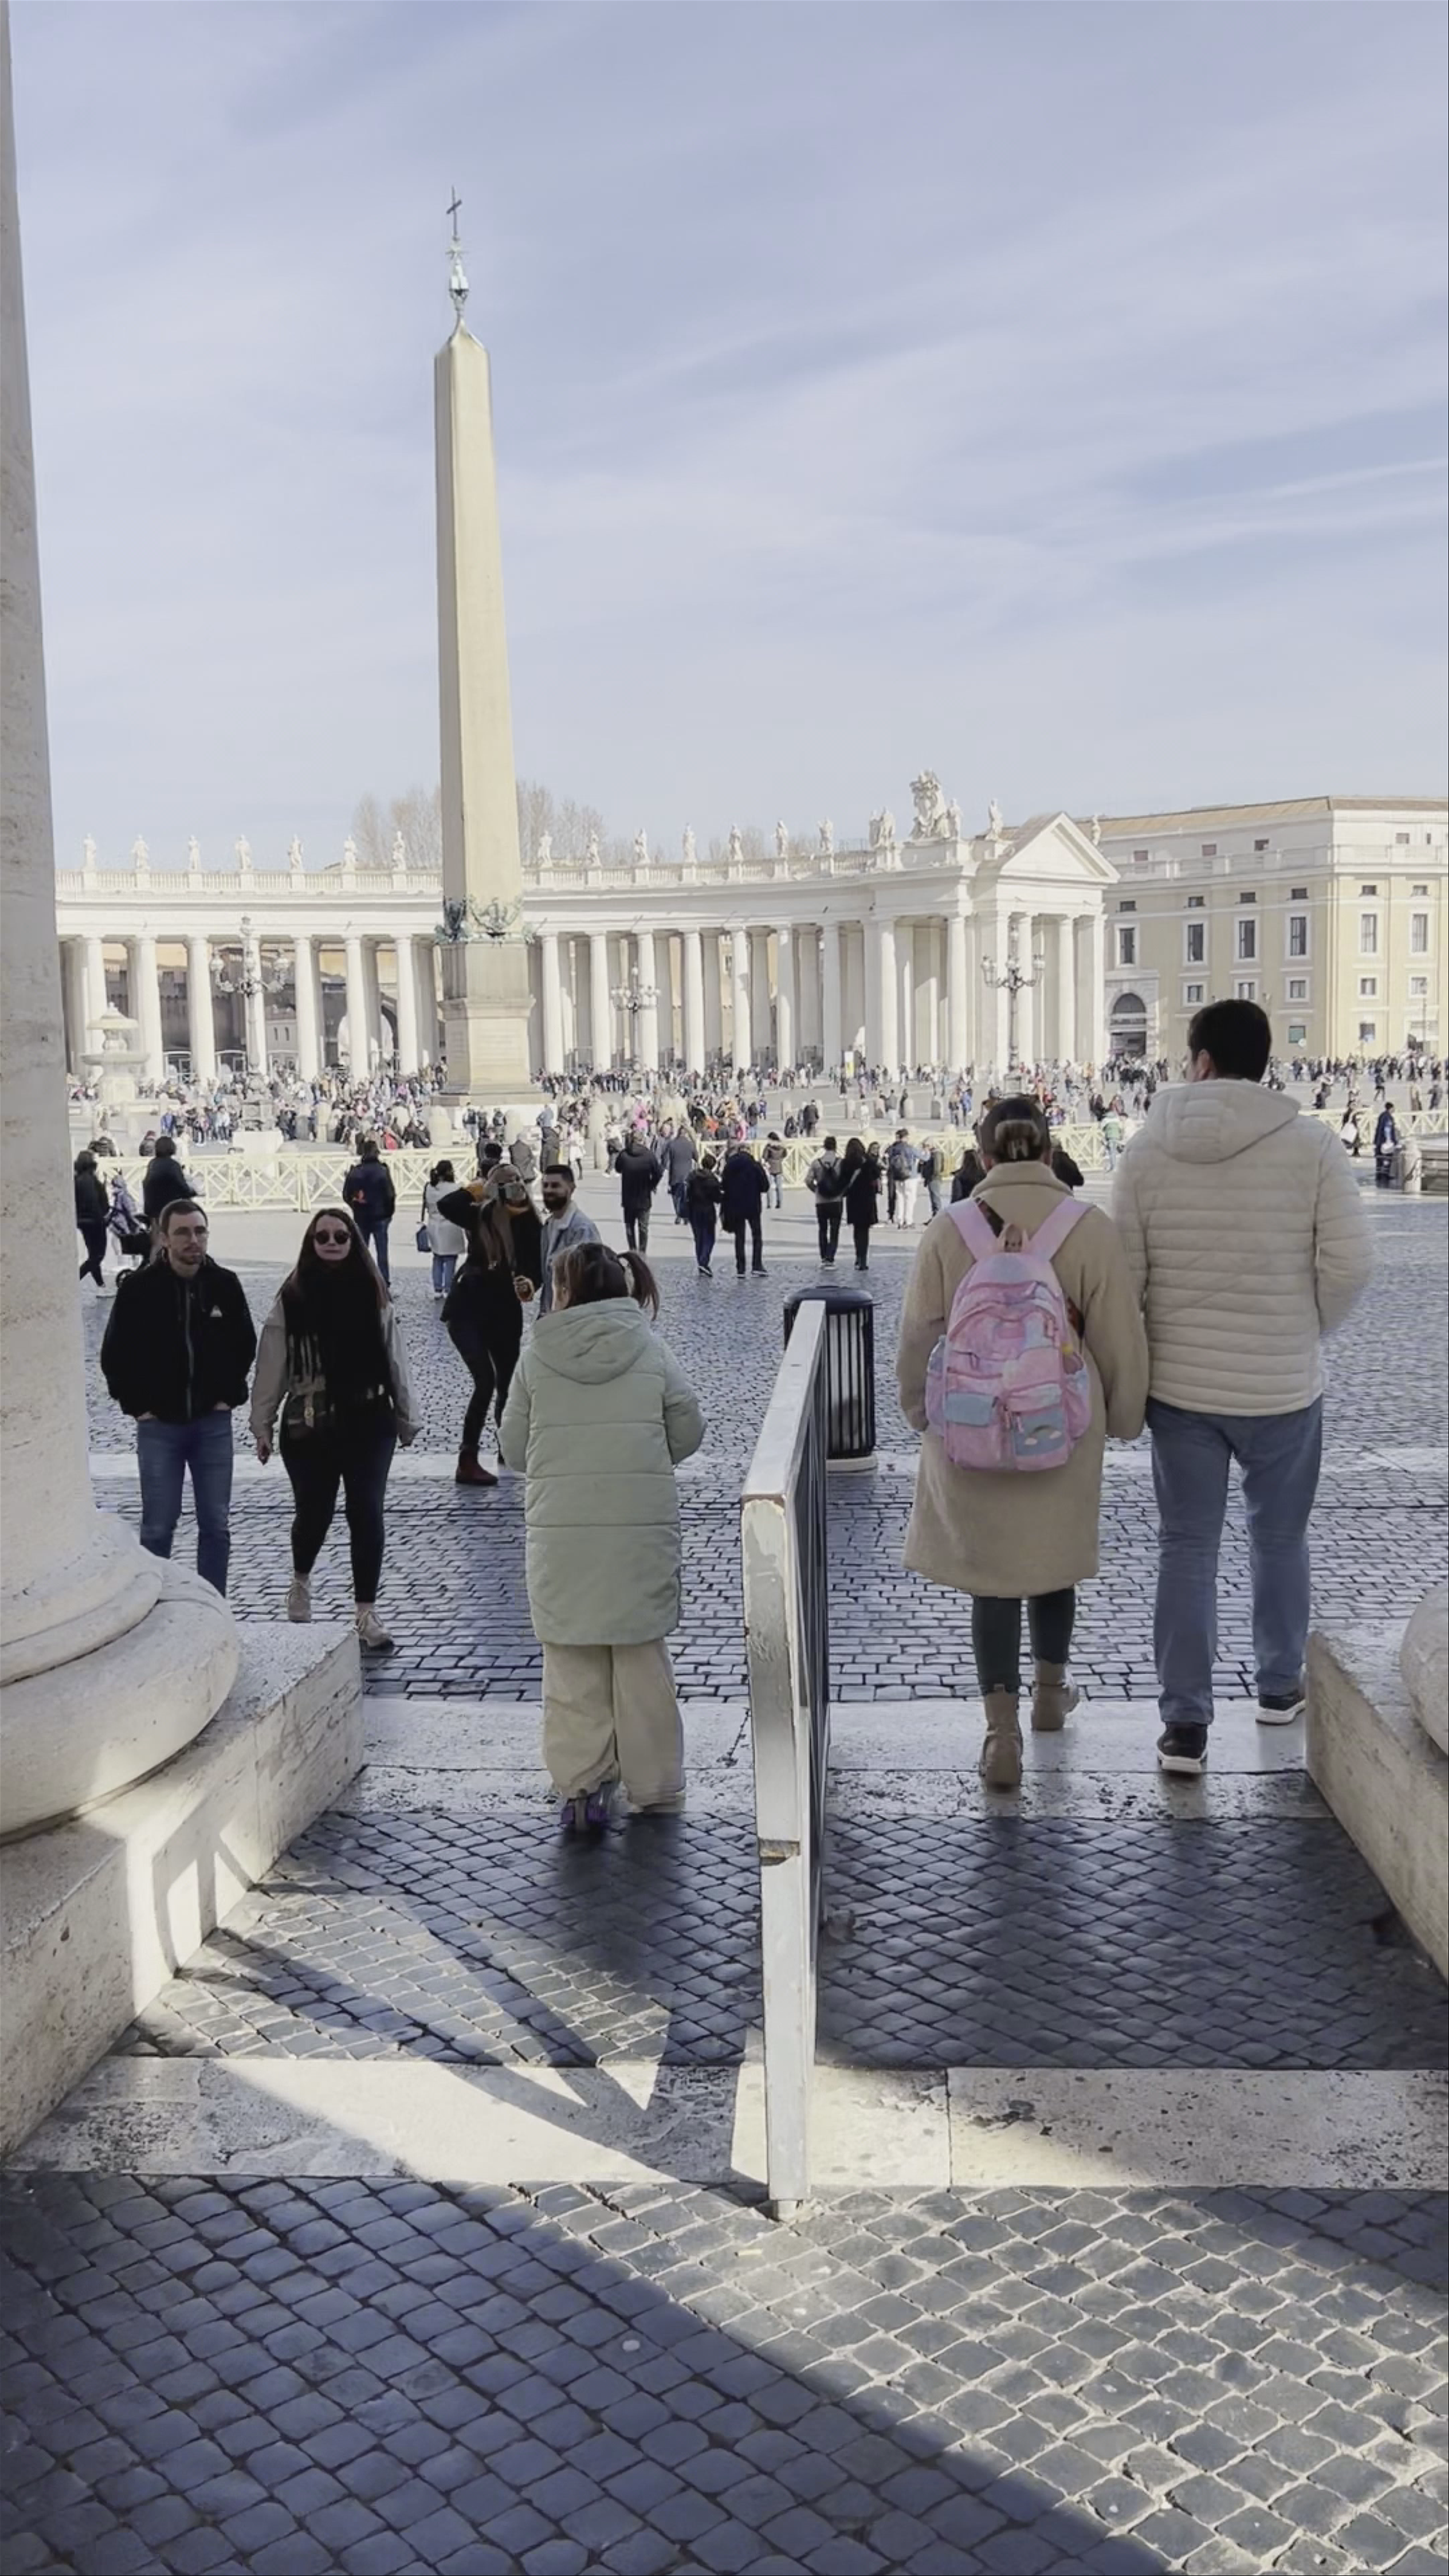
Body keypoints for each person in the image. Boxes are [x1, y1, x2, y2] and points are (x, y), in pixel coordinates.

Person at [1113, 1000, 1373, 1776]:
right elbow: (1352, 1264)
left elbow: (1125, 1281)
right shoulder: (1314, 1145)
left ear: (1200, 1061)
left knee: (1187, 1546)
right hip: (1283, 1386)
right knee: (1281, 1539)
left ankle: (1184, 1725)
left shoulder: (1144, 1151)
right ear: (1265, 1061)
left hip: (1182, 1389)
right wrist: (1305, 1326)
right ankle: (1279, 1684)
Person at [897, 1096, 1148, 1788]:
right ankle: (1050, 1695)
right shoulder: (1088, 1228)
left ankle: (1000, 1732)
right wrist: (1124, 1417)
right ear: (1049, 1152)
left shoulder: (948, 1229)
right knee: (1053, 1560)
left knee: (993, 1579)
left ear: (982, 1157)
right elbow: (1120, 1335)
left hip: (972, 1421)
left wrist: (920, 1410)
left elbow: (918, 1332)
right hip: (1062, 1421)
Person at [499, 1242, 705, 1832]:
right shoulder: (651, 1347)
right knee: (642, 1660)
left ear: (564, 1291)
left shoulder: (536, 1357)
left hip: (562, 1535)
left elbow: (514, 1449)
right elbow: (689, 1429)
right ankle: (655, 1784)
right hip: (639, 1528)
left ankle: (582, 1788)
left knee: (571, 1663)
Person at [251, 1208, 418, 1649]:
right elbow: (272, 1364)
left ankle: (366, 1612)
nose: (331, 1242)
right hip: (311, 1422)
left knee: (367, 1510)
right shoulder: (292, 1296)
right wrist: (261, 1423)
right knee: (314, 1512)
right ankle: (301, 1580)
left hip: (370, 1417)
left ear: (353, 1241)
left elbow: (395, 1353)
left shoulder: (373, 1290)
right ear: (311, 1242)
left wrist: (407, 1413)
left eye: (341, 1235)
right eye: (322, 1236)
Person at [100, 1201, 257, 1596]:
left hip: (212, 1422)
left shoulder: (225, 1284)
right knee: (157, 1526)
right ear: (164, 1238)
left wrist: (229, 1395)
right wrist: (138, 1406)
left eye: (200, 1231)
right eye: (183, 1232)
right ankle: (154, 1605)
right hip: (159, 1426)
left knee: (216, 1525)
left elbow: (244, 1345)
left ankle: (213, 1607)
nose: (193, 1240)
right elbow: (115, 1354)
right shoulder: (139, 1289)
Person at [438, 1164, 544, 1485]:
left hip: (505, 1310)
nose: (514, 1185)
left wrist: (530, 1283)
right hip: (468, 1308)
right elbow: (447, 1205)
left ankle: (507, 1447)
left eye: (518, 1179)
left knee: (508, 1385)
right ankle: (467, 1458)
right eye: (506, 1181)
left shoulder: (531, 1221)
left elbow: (536, 1266)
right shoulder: (482, 1214)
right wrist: (481, 1188)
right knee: (485, 1380)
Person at [537, 1164, 600, 1313]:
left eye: (555, 1186)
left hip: (574, 1315)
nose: (549, 1191)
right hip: (553, 1313)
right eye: (545, 1186)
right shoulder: (548, 1225)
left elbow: (588, 1280)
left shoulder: (582, 1229)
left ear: (571, 1189)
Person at [341, 1137, 397, 1282]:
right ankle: (384, 1281)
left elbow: (346, 1195)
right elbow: (390, 1195)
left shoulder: (356, 1172)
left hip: (362, 1216)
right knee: (382, 1253)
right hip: (380, 1216)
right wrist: (389, 1214)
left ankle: (361, 1279)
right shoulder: (383, 1171)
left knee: (361, 1252)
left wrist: (355, 1207)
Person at [720, 1140, 769, 1275]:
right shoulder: (755, 1165)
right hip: (753, 1206)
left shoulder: (730, 1165)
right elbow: (765, 1187)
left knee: (740, 1237)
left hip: (736, 1206)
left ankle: (741, 1268)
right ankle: (757, 1265)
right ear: (749, 1151)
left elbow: (723, 1186)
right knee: (757, 1236)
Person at [422, 1159, 468, 1302]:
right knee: (450, 1259)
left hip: (433, 1224)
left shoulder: (429, 1187)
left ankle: (437, 1289)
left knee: (438, 1258)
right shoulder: (455, 1188)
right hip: (450, 1225)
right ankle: (448, 1288)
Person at [614, 1133, 662, 1253]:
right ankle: (642, 1251)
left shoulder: (624, 1155)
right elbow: (658, 1173)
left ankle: (632, 1250)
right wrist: (652, 1185)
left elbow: (618, 1169)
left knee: (629, 1225)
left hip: (628, 1196)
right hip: (644, 1196)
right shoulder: (649, 1155)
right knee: (643, 1227)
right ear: (643, 1141)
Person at [805, 1135, 847, 1263]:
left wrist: (816, 1191)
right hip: (836, 1200)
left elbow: (808, 1181)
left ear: (824, 1147)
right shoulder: (840, 1163)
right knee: (835, 1230)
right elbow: (846, 1181)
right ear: (836, 1147)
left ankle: (823, 1255)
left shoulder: (816, 1163)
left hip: (821, 1201)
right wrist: (842, 1192)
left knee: (823, 1229)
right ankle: (831, 1255)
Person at [74, 1149, 110, 1292]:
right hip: (95, 1222)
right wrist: (102, 1218)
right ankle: (75, 1280)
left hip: (84, 1222)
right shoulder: (89, 1180)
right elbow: (94, 1203)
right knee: (98, 1256)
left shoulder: (78, 1179)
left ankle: (101, 1285)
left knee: (94, 1255)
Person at [141, 1132, 197, 1226]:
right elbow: (182, 1186)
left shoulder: (153, 1164)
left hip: (152, 1208)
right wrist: (193, 1192)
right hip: (169, 1209)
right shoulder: (173, 1165)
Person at [843, 1136, 880, 1270]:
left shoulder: (847, 1163)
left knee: (857, 1230)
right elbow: (877, 1174)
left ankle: (858, 1257)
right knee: (865, 1231)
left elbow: (843, 1181)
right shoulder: (868, 1161)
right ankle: (863, 1260)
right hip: (867, 1199)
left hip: (854, 1200)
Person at [685, 1152, 723, 1274]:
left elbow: (687, 1192)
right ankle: (704, 1262)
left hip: (694, 1210)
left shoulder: (692, 1176)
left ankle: (700, 1262)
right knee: (709, 1238)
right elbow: (717, 1198)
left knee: (699, 1238)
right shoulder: (712, 1180)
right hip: (708, 1210)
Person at [661, 1121, 698, 1223]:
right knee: (687, 1196)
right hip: (688, 1173)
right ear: (686, 1134)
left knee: (676, 1196)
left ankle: (679, 1214)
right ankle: (686, 1216)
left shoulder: (672, 1144)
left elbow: (665, 1159)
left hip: (675, 1173)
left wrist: (665, 1168)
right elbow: (697, 1158)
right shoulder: (690, 1145)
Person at [887, 1129, 920, 1227]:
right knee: (910, 1199)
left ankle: (900, 1220)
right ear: (906, 1137)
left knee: (900, 1198)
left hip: (897, 1176)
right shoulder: (910, 1148)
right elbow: (924, 1157)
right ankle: (909, 1220)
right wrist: (927, 1152)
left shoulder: (894, 1148)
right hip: (910, 1176)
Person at [1374, 1101, 1399, 1188]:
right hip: (1385, 1142)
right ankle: (1385, 1176)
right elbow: (1387, 1130)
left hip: (1379, 1141)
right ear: (1391, 1108)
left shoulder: (1382, 1116)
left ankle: (1379, 1175)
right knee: (1387, 1159)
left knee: (1380, 1160)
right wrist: (1389, 1141)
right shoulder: (1389, 1118)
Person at [762, 1132, 788, 1212]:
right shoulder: (782, 1148)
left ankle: (770, 1204)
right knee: (779, 1187)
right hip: (779, 1167)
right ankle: (780, 1203)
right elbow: (785, 1155)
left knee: (769, 1187)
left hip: (770, 1168)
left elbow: (764, 1157)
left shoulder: (769, 1148)